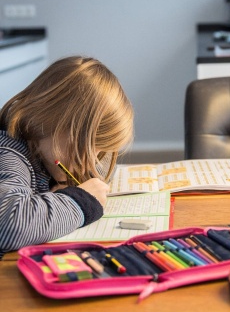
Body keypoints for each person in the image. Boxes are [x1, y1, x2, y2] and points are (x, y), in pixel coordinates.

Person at [0, 56, 134, 257]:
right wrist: (81, 201)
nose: (90, 162)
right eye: (85, 150)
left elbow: (99, 170)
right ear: (52, 124)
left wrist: (66, 187)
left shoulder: (45, 148)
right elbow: (10, 227)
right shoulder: (8, 153)